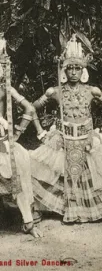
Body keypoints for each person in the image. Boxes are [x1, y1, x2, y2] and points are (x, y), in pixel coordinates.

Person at [30, 34, 102, 225]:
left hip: (87, 139)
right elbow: (31, 108)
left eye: (78, 68)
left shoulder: (92, 90)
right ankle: (45, 209)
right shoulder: (55, 91)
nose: (74, 72)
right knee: (37, 167)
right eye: (70, 68)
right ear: (64, 71)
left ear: (83, 71)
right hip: (62, 139)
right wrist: (41, 132)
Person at [0, 36, 42, 238]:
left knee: (20, 163)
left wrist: (16, 132)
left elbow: (30, 107)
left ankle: (28, 221)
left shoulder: (4, 89)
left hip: (1, 142)